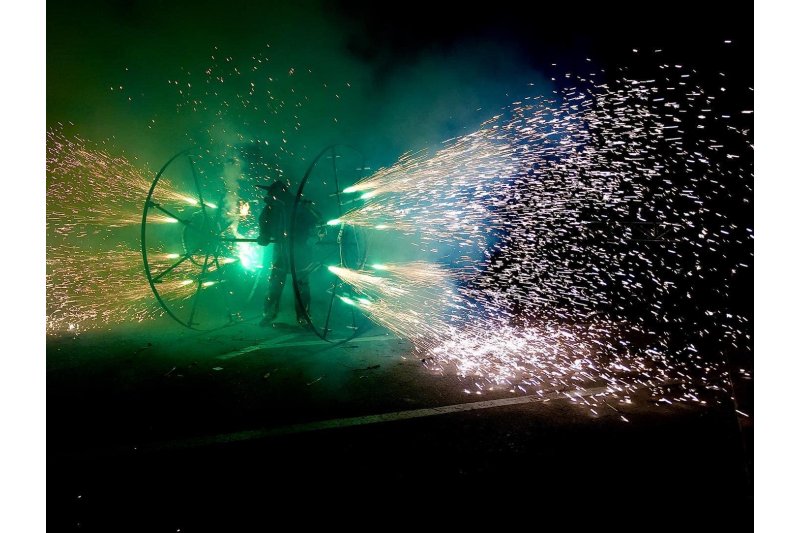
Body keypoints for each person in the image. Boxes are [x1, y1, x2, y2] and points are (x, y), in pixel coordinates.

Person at [256, 180, 320, 327]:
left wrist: (312, 235)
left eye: (274, 192)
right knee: (274, 285)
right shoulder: (271, 208)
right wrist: (263, 236)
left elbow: (316, 222)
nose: (270, 195)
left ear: (282, 191)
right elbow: (264, 223)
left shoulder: (300, 206)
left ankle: (304, 317)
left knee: (301, 286)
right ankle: (269, 314)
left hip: (300, 253)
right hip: (280, 253)